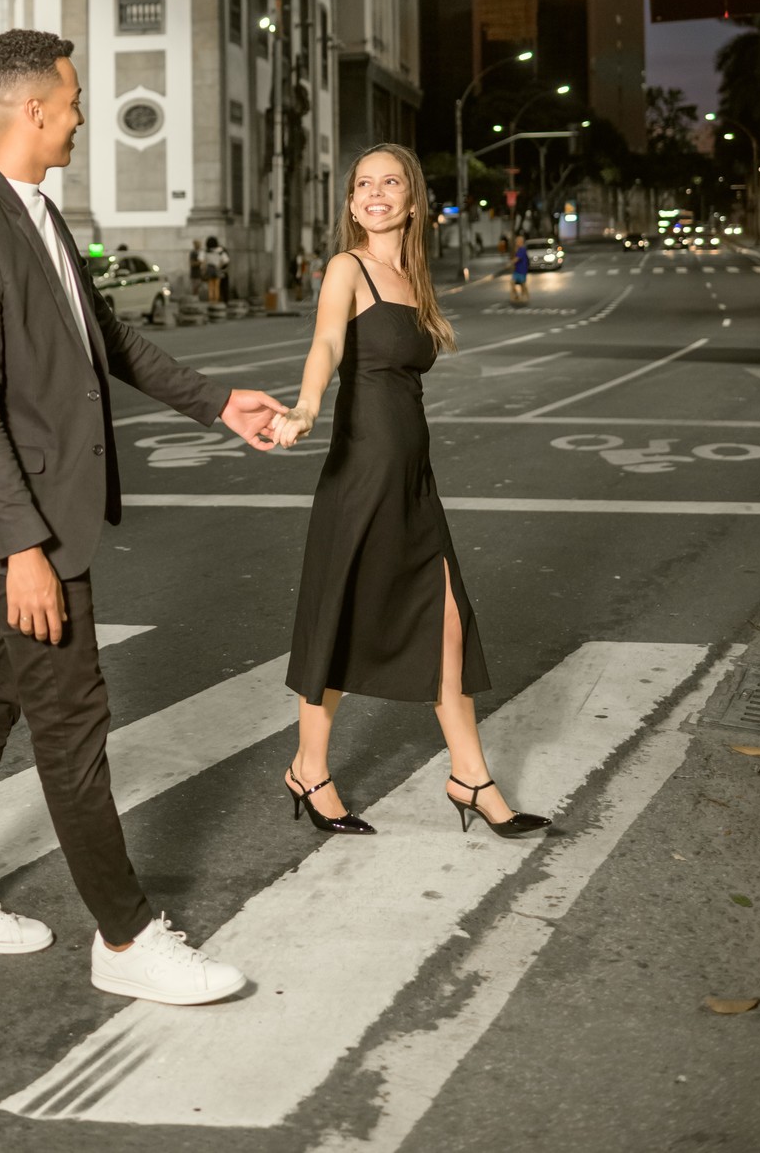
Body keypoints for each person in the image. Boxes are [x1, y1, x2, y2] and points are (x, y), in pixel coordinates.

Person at [0, 28, 286, 1005]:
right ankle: (125, 936)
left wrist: (215, 401)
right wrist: (24, 546)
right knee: (72, 723)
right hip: (27, 522)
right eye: (71, 100)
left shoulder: (33, 211)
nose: (79, 113)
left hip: (36, 512)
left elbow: (102, 337)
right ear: (31, 110)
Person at [270, 143, 548, 841]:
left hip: (413, 480)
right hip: (363, 472)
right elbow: (327, 344)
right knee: (340, 614)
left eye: (390, 181)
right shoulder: (349, 267)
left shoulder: (413, 276)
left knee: (448, 623)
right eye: (363, 182)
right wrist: (305, 407)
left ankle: (471, 776)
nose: (375, 192)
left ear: (414, 201)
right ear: (352, 202)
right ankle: (310, 767)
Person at [203, 234, 228, 304]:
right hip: (217, 268)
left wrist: (204, 269)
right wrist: (220, 265)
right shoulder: (220, 251)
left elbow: (203, 261)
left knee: (211, 287)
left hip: (210, 268)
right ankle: (216, 301)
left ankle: (211, 301)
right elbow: (226, 260)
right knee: (217, 287)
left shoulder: (206, 251)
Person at [509, 232, 530, 307]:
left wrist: (510, 263)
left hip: (522, 270)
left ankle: (525, 296)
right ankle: (517, 296)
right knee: (512, 282)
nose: (516, 242)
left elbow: (517, 259)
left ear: (520, 242)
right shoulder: (518, 249)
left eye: (517, 241)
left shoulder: (522, 249)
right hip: (517, 270)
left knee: (523, 285)